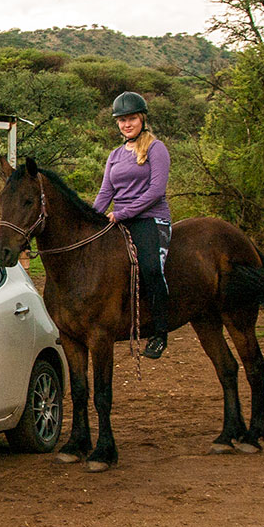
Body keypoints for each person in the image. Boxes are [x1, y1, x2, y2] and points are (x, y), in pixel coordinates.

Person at [93, 92, 173, 359]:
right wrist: (91, 220)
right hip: (120, 219)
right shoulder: (115, 155)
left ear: (142, 119)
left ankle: (160, 332)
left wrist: (123, 213)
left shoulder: (155, 148)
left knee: (150, 268)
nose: (127, 124)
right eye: (122, 120)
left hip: (150, 218)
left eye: (132, 119)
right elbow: (106, 193)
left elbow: (156, 191)